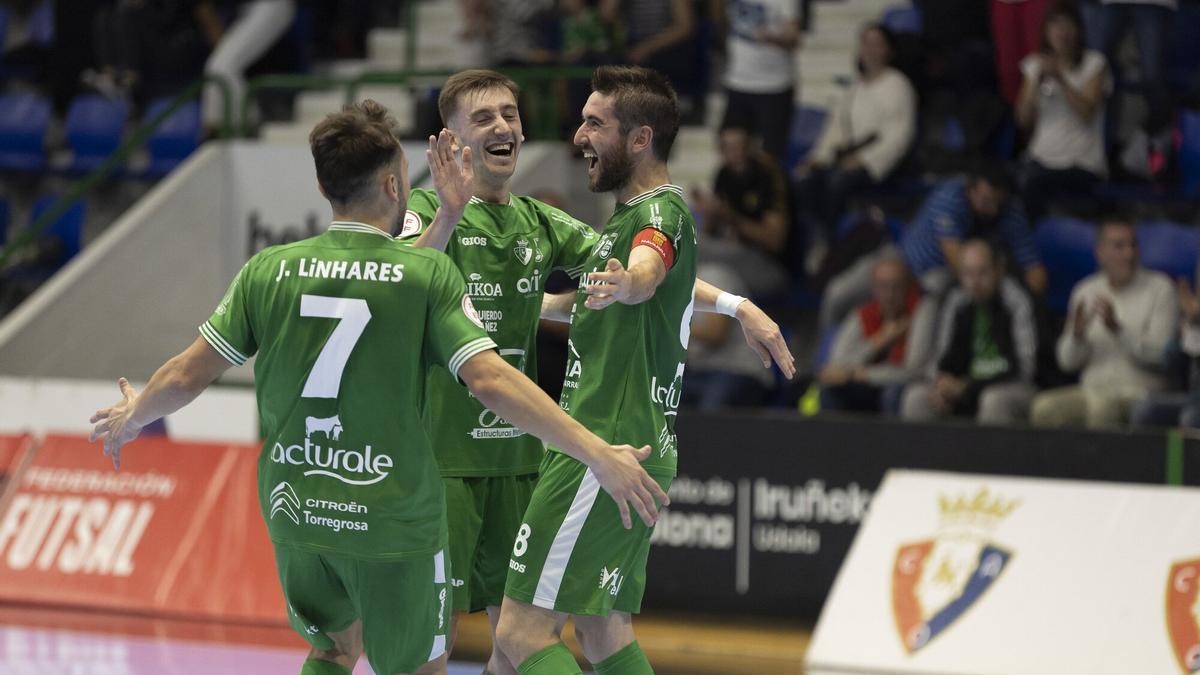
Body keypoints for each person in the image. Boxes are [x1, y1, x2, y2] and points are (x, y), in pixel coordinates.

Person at [87, 100, 669, 675]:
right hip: (390, 515)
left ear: (324, 187)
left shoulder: (268, 270)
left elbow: (187, 375)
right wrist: (595, 451)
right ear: (396, 186)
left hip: (299, 505)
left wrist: (135, 413)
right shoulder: (422, 275)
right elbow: (489, 379)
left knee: (333, 651)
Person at [397, 69, 794, 674]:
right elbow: (399, 295)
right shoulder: (425, 211)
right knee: (446, 647)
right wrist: (449, 215)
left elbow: (645, 273)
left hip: (527, 462)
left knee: (521, 633)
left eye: (510, 113)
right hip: (444, 463)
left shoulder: (546, 222)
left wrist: (735, 305)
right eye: (484, 118)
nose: (503, 126)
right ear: (450, 142)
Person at [495, 65, 736, 675]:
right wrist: (528, 308)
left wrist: (630, 283)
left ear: (639, 139)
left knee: (521, 633)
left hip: (603, 449)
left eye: (594, 123)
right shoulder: (630, 217)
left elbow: (645, 271)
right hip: (627, 444)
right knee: (602, 629)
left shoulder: (658, 216)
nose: (578, 135)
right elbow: (605, 298)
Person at [819, 163, 1048, 331]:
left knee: (936, 296)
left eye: (998, 202)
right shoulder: (951, 197)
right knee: (837, 294)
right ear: (971, 189)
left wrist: (1024, 301)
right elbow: (958, 261)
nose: (993, 210)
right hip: (905, 260)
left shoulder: (1011, 213)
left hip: (941, 277)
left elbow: (1035, 270)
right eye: (986, 201)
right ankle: (822, 359)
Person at [1031, 219, 1178, 429]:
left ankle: (1100, 463)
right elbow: (1066, 362)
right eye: (1119, 246)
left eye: (1133, 245)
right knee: (1044, 407)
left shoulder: (1161, 289)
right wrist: (1077, 336)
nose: (1129, 254)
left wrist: (1118, 330)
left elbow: (1162, 357)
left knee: (1101, 406)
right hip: (1091, 391)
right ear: (1100, 253)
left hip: (1140, 394)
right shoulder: (1085, 290)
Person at [794, 23, 917, 251]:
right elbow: (836, 130)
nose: (870, 49)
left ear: (889, 50)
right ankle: (817, 239)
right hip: (848, 157)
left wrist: (867, 161)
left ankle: (835, 245)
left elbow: (899, 136)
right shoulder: (854, 88)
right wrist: (818, 157)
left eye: (876, 44)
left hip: (881, 163)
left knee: (836, 182)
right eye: (865, 43)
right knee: (806, 181)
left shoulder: (899, 86)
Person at [901, 239, 1038, 425]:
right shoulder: (957, 303)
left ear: (999, 270)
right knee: (916, 398)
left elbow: (1024, 370)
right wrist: (941, 385)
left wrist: (968, 388)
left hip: (1011, 387)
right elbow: (942, 359)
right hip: (965, 387)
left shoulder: (1017, 300)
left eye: (982, 273)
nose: (975, 282)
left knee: (993, 400)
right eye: (968, 274)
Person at [1015, 2, 1111, 221]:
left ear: (1079, 30)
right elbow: (1022, 120)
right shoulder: (1034, 64)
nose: (1062, 33)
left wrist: (1061, 79)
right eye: (1056, 26)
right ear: (1046, 31)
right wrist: (1035, 83)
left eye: (1068, 26)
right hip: (1040, 157)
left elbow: (1087, 112)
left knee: (1034, 185)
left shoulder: (1094, 63)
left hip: (1081, 161)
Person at [819, 255, 937, 415]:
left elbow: (915, 370)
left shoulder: (921, 310)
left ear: (908, 288)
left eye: (896, 287)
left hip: (898, 386)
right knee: (830, 391)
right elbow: (836, 367)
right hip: (864, 384)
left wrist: (863, 375)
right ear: (873, 288)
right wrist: (878, 342)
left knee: (892, 393)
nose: (889, 295)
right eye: (883, 287)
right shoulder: (862, 314)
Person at [691, 126, 793, 294]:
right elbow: (711, 232)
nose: (736, 154)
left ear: (751, 147)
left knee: (691, 251)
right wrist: (709, 212)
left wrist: (728, 216)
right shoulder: (724, 174)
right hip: (737, 252)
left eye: (741, 147)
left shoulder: (768, 174)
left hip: (770, 264)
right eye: (729, 148)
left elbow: (775, 241)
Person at [717, 0, 803, 163]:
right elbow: (721, 19)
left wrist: (770, 37)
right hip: (737, 82)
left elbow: (794, 38)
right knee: (730, 147)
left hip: (774, 86)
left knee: (771, 156)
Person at [198, 0, 297, 133]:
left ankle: (247, 129)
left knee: (220, 68)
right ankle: (236, 128)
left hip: (272, 5)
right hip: (247, 9)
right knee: (219, 67)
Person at [1130, 274, 1200, 429]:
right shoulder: (1194, 320)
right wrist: (1191, 323)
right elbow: (1171, 364)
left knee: (1191, 417)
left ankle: (1184, 454)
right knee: (1146, 411)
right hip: (1193, 399)